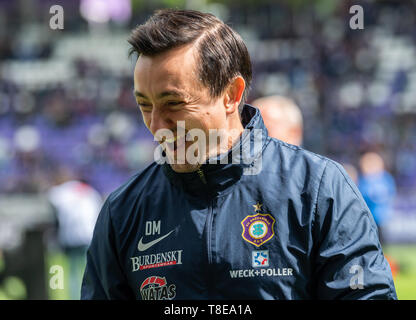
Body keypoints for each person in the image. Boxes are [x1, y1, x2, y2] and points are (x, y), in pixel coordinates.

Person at [81, 9, 397, 300]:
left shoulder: (318, 188)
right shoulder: (123, 210)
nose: (156, 125)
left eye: (174, 104)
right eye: (144, 105)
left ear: (231, 94)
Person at [48, 167, 102, 299]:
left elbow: (51, 202)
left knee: (73, 272)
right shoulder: (90, 191)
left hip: (71, 237)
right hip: (90, 235)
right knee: (90, 273)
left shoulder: (60, 192)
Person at [357, 152, 396, 245]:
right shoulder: (363, 180)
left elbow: (390, 193)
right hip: (369, 217)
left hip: (382, 216)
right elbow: (361, 195)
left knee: (382, 241)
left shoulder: (386, 178)